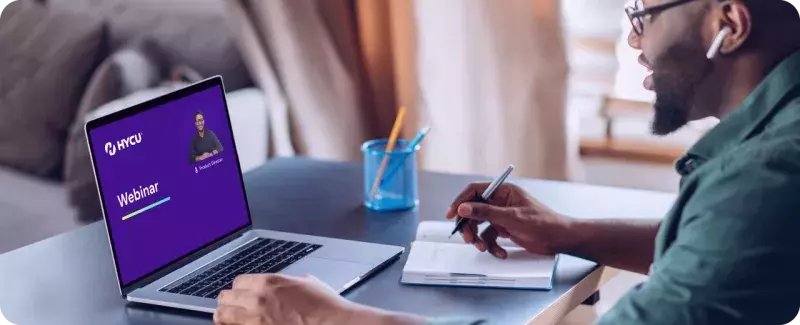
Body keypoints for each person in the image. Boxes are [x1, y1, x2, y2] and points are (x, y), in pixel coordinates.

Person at [214, 0, 800, 324]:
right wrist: (568, 233)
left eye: (645, 12)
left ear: (728, 24)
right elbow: (732, 252)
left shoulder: (764, 184)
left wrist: (328, 319)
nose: (633, 39)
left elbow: (741, 224)